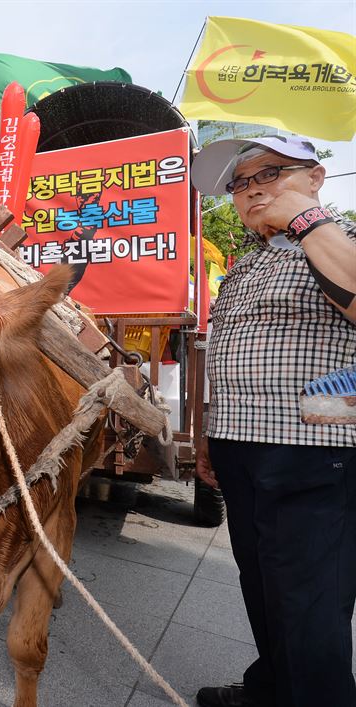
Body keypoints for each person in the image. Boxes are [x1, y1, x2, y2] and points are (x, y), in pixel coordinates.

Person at [191, 135, 356, 707]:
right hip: (242, 448)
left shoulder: (342, 239)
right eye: (240, 183)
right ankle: (271, 689)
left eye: (270, 174)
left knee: (309, 605)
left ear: (314, 177)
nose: (252, 189)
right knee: (261, 588)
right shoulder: (247, 264)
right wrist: (213, 433)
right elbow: (229, 353)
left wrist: (308, 222)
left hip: (313, 451)